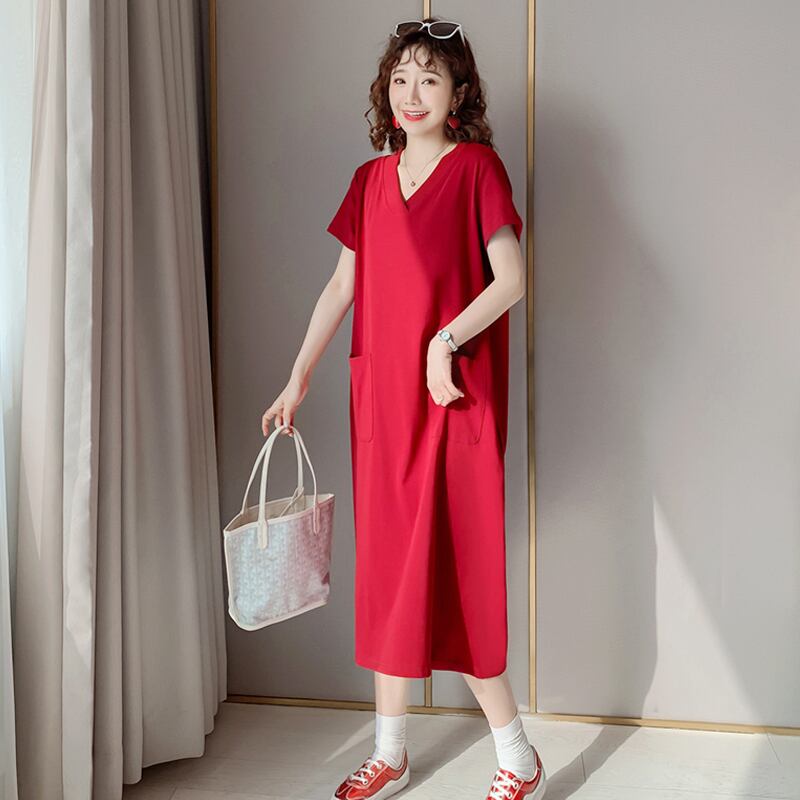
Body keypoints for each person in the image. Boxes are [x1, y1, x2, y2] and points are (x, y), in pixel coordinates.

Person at [261, 17, 547, 800]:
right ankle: (390, 751)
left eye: (429, 78)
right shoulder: (368, 181)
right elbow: (341, 287)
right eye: (400, 78)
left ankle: (517, 754)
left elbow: (512, 279)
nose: (411, 93)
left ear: (459, 93)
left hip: (452, 404)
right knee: (388, 573)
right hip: (384, 408)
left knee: (460, 572)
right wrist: (298, 377)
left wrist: (443, 342)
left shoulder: (477, 169)